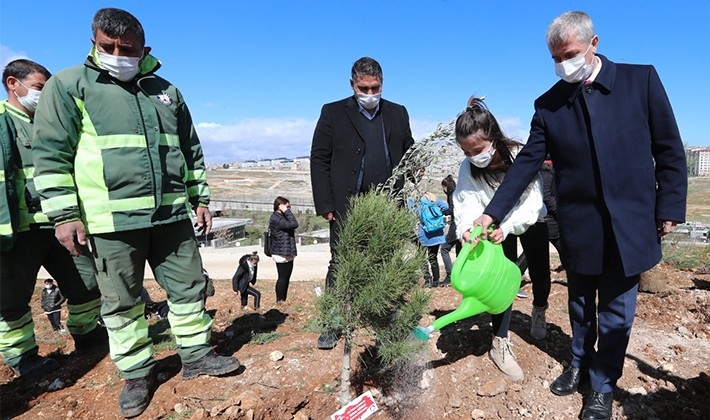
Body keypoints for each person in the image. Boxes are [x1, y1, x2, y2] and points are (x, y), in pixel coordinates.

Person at [473, 11, 687, 420]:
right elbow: (526, 164)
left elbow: (670, 150)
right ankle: (578, 363)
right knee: (579, 303)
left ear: (594, 44)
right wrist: (491, 214)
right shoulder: (550, 104)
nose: (562, 64)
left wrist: (669, 207)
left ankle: (603, 384)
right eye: (555, 58)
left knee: (617, 312)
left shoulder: (640, 81)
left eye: (569, 54)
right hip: (579, 224)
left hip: (631, 223)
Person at [31, 8, 239, 418]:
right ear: (94, 42)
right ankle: (137, 374)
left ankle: (196, 356)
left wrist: (200, 199)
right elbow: (51, 155)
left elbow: (190, 151)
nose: (116, 54)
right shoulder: (70, 85)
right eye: (107, 47)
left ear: (144, 49)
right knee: (123, 303)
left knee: (189, 290)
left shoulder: (166, 91)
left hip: (170, 218)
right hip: (110, 221)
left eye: (126, 49)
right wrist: (64, 215)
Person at [0, 59, 107, 379]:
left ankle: (87, 334)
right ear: (12, 84)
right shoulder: (4, 122)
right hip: (17, 231)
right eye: (38, 88)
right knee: (11, 299)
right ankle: (23, 357)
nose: (44, 96)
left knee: (86, 282)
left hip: (61, 222)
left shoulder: (54, 121)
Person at [310, 56, 414, 349]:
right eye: (363, 88)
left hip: (386, 205)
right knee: (340, 263)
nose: (370, 95)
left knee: (386, 262)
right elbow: (319, 158)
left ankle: (386, 322)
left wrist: (416, 165)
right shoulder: (332, 113)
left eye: (375, 88)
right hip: (347, 204)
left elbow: (408, 148)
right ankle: (332, 323)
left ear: (382, 84)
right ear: (352, 84)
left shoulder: (397, 113)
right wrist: (325, 203)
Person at [453, 97, 548, 381]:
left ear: (493, 137)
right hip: (490, 226)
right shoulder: (467, 169)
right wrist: (466, 229)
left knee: (541, 274)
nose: (473, 157)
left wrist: (507, 226)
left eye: (478, 150)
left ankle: (539, 307)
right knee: (501, 282)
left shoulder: (520, 155)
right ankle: (500, 342)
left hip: (528, 220)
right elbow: (465, 200)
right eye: (466, 151)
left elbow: (532, 203)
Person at [413, 192, 449, 288]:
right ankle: (436, 281)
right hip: (437, 232)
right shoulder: (434, 199)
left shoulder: (416, 201)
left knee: (420, 257)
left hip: (425, 233)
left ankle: (427, 279)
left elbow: (409, 210)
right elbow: (446, 207)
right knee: (433, 257)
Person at [268, 196, 298, 304]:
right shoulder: (276, 218)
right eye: (287, 207)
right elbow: (294, 224)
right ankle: (279, 300)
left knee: (286, 277)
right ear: (280, 206)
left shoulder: (282, 217)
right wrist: (285, 211)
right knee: (282, 277)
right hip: (281, 252)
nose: (289, 209)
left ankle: (283, 299)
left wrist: (285, 211)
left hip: (287, 251)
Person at [439, 175, 461, 286]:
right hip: (462, 225)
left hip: (456, 225)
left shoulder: (452, 195)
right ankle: (460, 275)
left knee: (444, 249)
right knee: (460, 252)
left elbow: (452, 210)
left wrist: (442, 212)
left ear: (446, 186)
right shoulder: (458, 192)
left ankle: (450, 276)